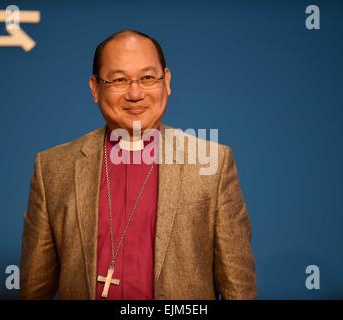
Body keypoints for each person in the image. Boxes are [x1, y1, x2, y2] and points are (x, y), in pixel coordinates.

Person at [20, 29, 257, 300]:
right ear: (95, 88)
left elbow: (239, 289)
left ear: (166, 81)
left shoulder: (212, 164)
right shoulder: (52, 168)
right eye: (119, 80)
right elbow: (34, 290)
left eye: (147, 78)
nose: (135, 93)